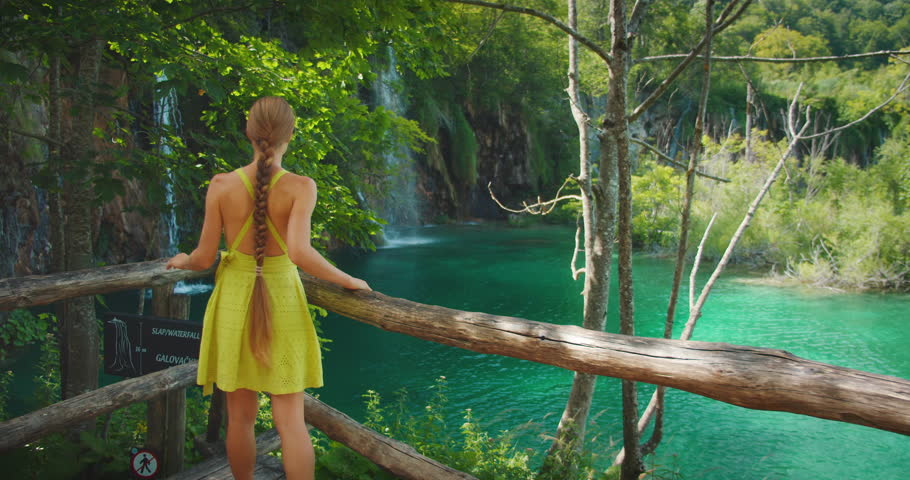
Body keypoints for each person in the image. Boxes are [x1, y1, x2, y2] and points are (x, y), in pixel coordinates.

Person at [166, 96, 370, 480]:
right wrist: (347, 279)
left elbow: (203, 257)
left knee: (239, 419)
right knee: (290, 422)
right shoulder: (301, 187)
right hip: (282, 301)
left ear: (248, 131)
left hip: (232, 302)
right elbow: (298, 252)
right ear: (291, 134)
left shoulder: (222, 185)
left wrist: (182, 260)